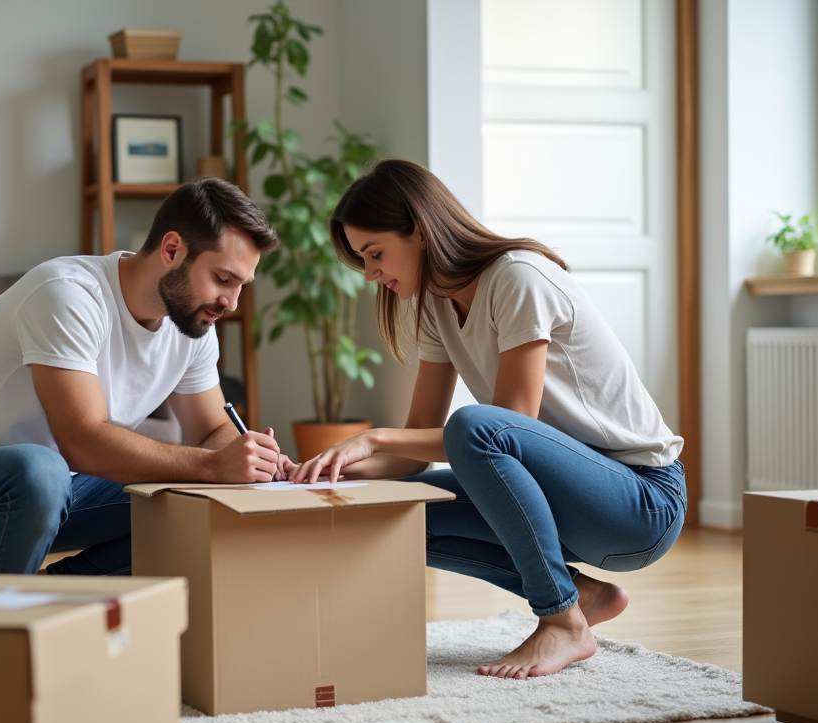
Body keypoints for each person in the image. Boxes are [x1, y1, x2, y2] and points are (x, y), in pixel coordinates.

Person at [291, 159, 686, 680]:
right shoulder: (435, 306)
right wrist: (320, 474)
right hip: (559, 501)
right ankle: (581, 597)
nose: (370, 274)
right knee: (392, 516)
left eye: (375, 253)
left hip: (640, 503)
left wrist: (374, 436)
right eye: (363, 260)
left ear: (420, 230)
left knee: (475, 425)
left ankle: (561, 620)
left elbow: (505, 427)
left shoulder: (517, 277)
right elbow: (411, 455)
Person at [0, 178, 289, 577]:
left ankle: (53, 595)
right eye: (224, 279)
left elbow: (212, 429)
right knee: (42, 471)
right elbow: (81, 441)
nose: (232, 302)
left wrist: (250, 460)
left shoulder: (191, 327)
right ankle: (5, 611)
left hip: (68, 493)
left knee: (196, 504)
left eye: (241, 286)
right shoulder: (68, 294)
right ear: (171, 249)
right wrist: (212, 465)